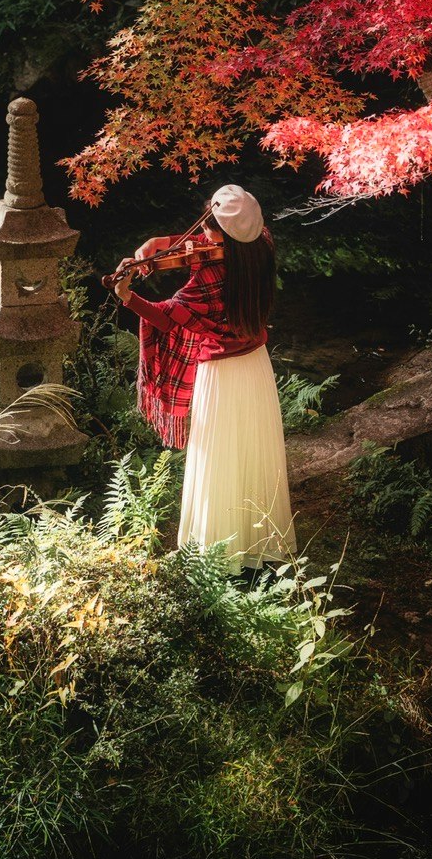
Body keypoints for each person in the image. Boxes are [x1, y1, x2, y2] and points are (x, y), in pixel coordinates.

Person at [114, 184, 296, 570]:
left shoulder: (209, 280)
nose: (204, 238)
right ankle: (259, 544)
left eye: (209, 230)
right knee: (252, 453)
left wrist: (128, 296)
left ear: (221, 234)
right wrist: (162, 242)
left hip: (221, 376)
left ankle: (219, 552)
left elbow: (165, 315)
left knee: (218, 457)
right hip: (256, 367)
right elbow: (214, 241)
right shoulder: (261, 244)